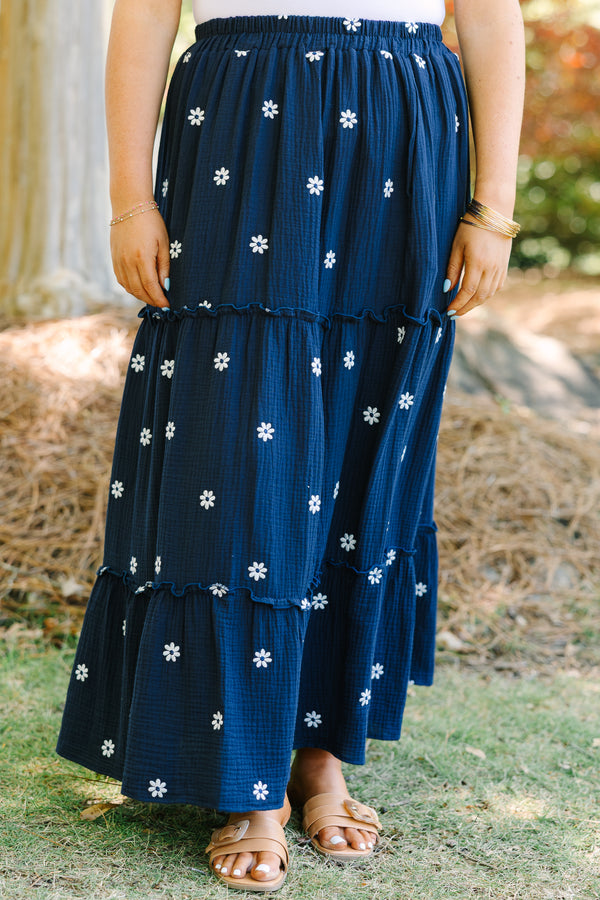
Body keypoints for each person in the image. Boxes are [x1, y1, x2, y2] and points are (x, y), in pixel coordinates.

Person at [56, 0, 525, 892]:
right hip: (241, 118)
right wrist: (130, 199)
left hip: (404, 128)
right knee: (237, 452)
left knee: (361, 439)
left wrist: (492, 206)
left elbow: (493, 18)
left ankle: (318, 756)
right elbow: (145, 12)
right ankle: (248, 778)